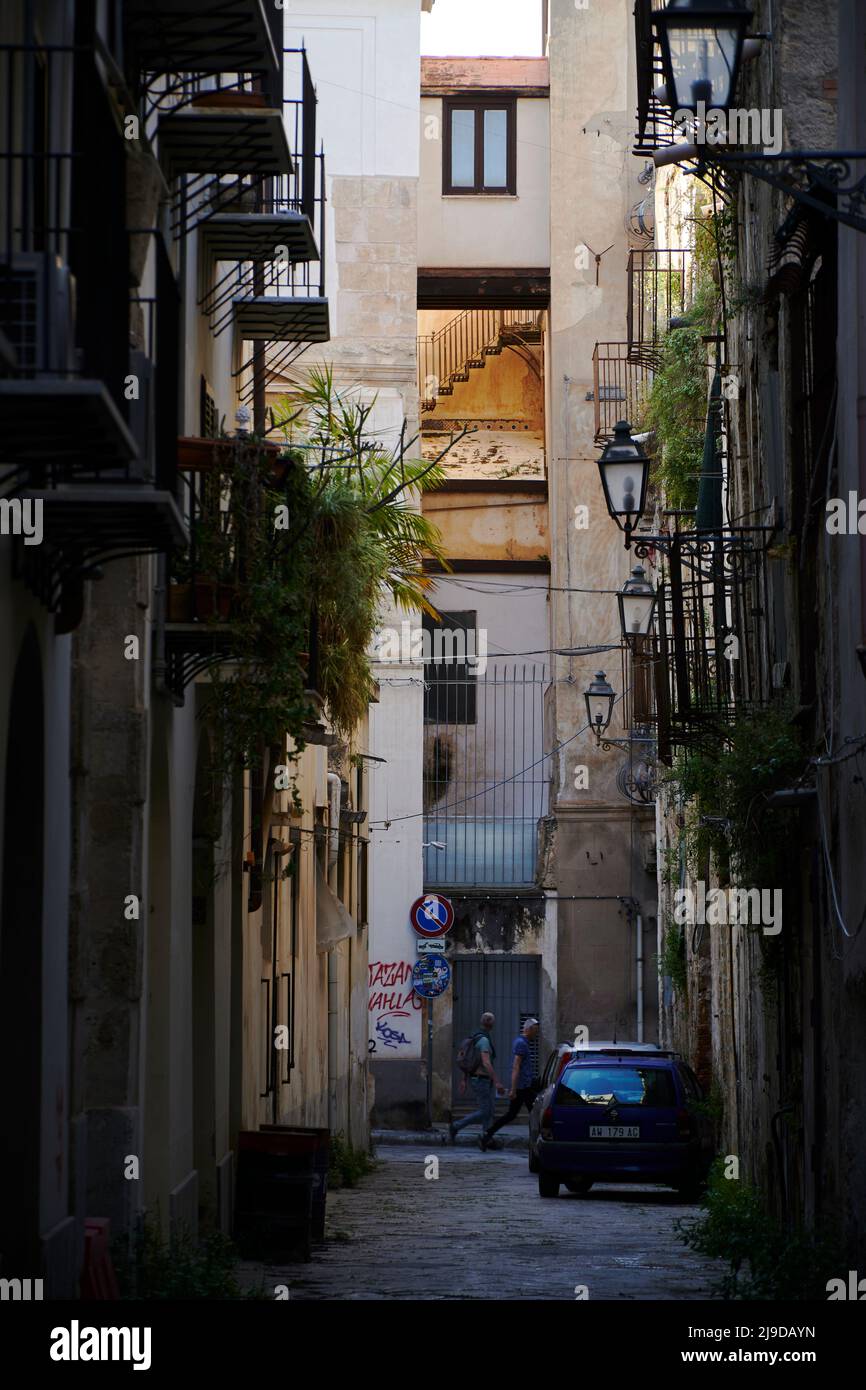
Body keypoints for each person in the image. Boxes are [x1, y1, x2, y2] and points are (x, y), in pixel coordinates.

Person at [480, 1017, 540, 1151]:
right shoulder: (521, 1044)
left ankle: (487, 1134)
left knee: (512, 1114)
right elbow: (516, 1067)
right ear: (528, 1029)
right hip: (523, 1087)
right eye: (535, 1031)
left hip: (524, 1086)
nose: (536, 1034)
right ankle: (537, 1141)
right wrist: (513, 1089)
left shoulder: (522, 1042)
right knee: (535, 1113)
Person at [449, 1011, 505, 1143]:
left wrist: (464, 1079)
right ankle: (456, 1126)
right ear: (491, 1024)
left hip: (480, 1079)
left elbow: (470, 1060)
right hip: (482, 1081)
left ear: (481, 1023)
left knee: (489, 1111)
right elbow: (486, 1062)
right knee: (485, 1111)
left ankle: (486, 1139)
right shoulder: (484, 1040)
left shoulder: (476, 1036)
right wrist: (497, 1082)